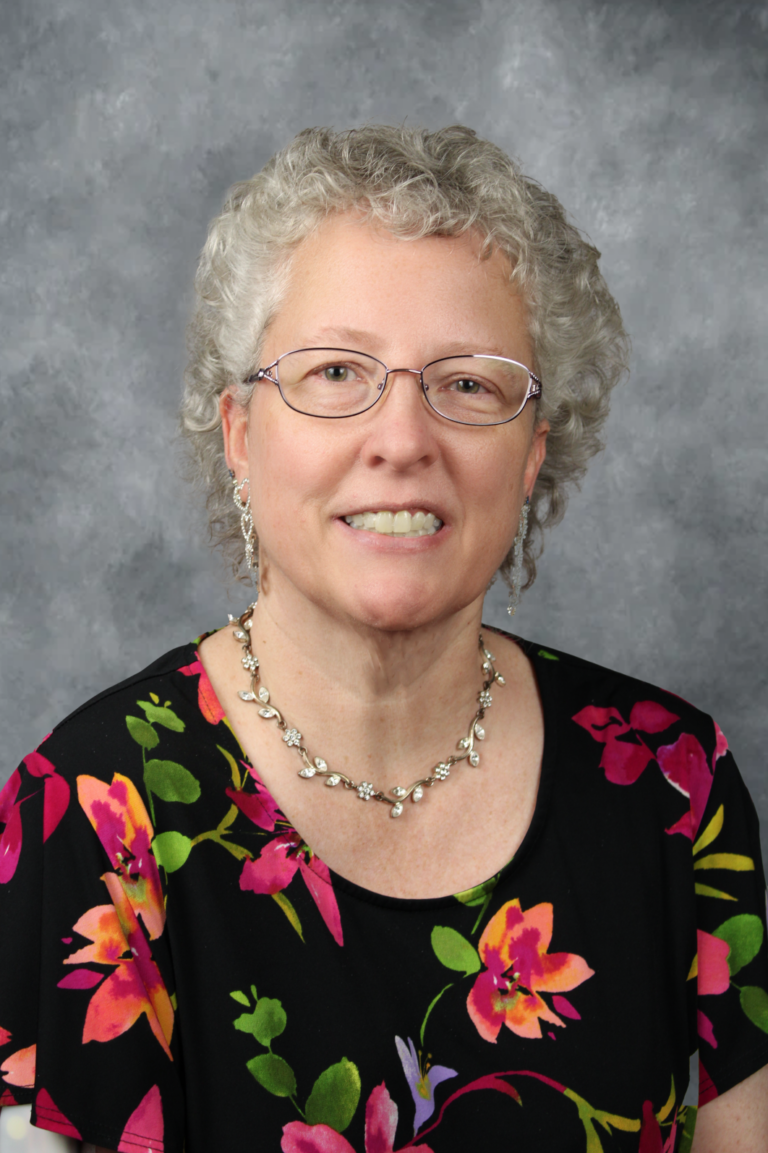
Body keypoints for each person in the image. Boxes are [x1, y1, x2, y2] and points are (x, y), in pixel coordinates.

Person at [1, 125, 766, 1153]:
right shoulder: (90, 814)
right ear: (239, 432)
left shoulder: (673, 786)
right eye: (333, 373)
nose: (402, 439)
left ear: (535, 453)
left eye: (468, 385)